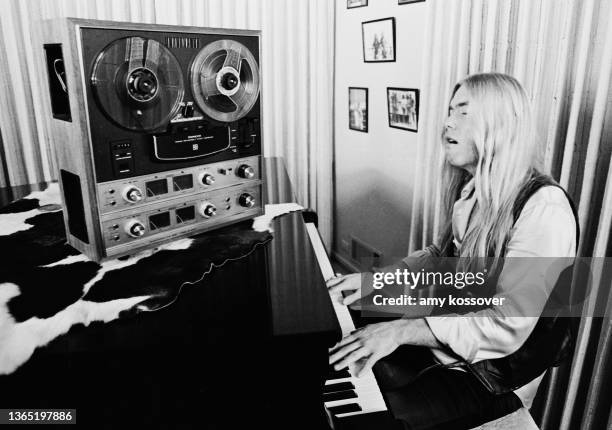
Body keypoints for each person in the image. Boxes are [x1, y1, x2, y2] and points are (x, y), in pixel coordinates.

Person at [328, 73, 577, 429]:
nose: (447, 122)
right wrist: (373, 282)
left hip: (496, 374)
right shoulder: (473, 191)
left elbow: (506, 326)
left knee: (377, 416)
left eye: (464, 112)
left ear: (502, 125)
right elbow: (438, 256)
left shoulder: (544, 209)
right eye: (449, 110)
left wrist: (401, 331)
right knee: (348, 347)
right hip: (452, 344)